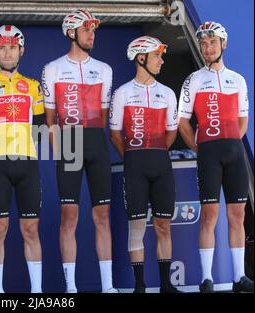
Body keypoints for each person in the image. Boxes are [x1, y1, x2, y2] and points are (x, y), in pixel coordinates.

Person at [41, 9, 117, 293]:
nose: (92, 34)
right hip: (68, 142)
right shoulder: (52, 69)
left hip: (96, 140)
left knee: (102, 217)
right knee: (69, 216)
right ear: (71, 33)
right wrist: (61, 152)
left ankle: (107, 286)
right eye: (87, 29)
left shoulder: (105, 69)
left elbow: (105, 115)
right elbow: (49, 122)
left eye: (93, 30)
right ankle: (70, 288)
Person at [178, 21, 253, 293]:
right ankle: (206, 278)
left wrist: (229, 140)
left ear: (224, 44)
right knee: (209, 215)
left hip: (234, 152)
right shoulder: (193, 80)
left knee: (238, 215)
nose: (207, 48)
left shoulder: (239, 79)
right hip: (208, 152)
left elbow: (242, 121)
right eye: (203, 43)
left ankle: (239, 277)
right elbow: (183, 122)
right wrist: (201, 149)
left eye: (212, 42)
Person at [0, 25, 45, 293]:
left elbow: (40, 126)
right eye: (2, 47)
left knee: (31, 229)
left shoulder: (35, 87)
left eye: (12, 47)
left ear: (21, 50)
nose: (7, 52)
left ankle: (37, 292)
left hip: (27, 162)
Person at [109, 36, 181, 293]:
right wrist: (132, 156)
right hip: (135, 164)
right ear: (141, 58)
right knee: (137, 226)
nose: (161, 61)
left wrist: (155, 151)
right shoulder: (122, 93)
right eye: (157, 56)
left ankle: (165, 285)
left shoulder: (169, 93)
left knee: (163, 224)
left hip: (161, 162)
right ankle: (140, 286)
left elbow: (171, 132)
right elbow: (115, 134)